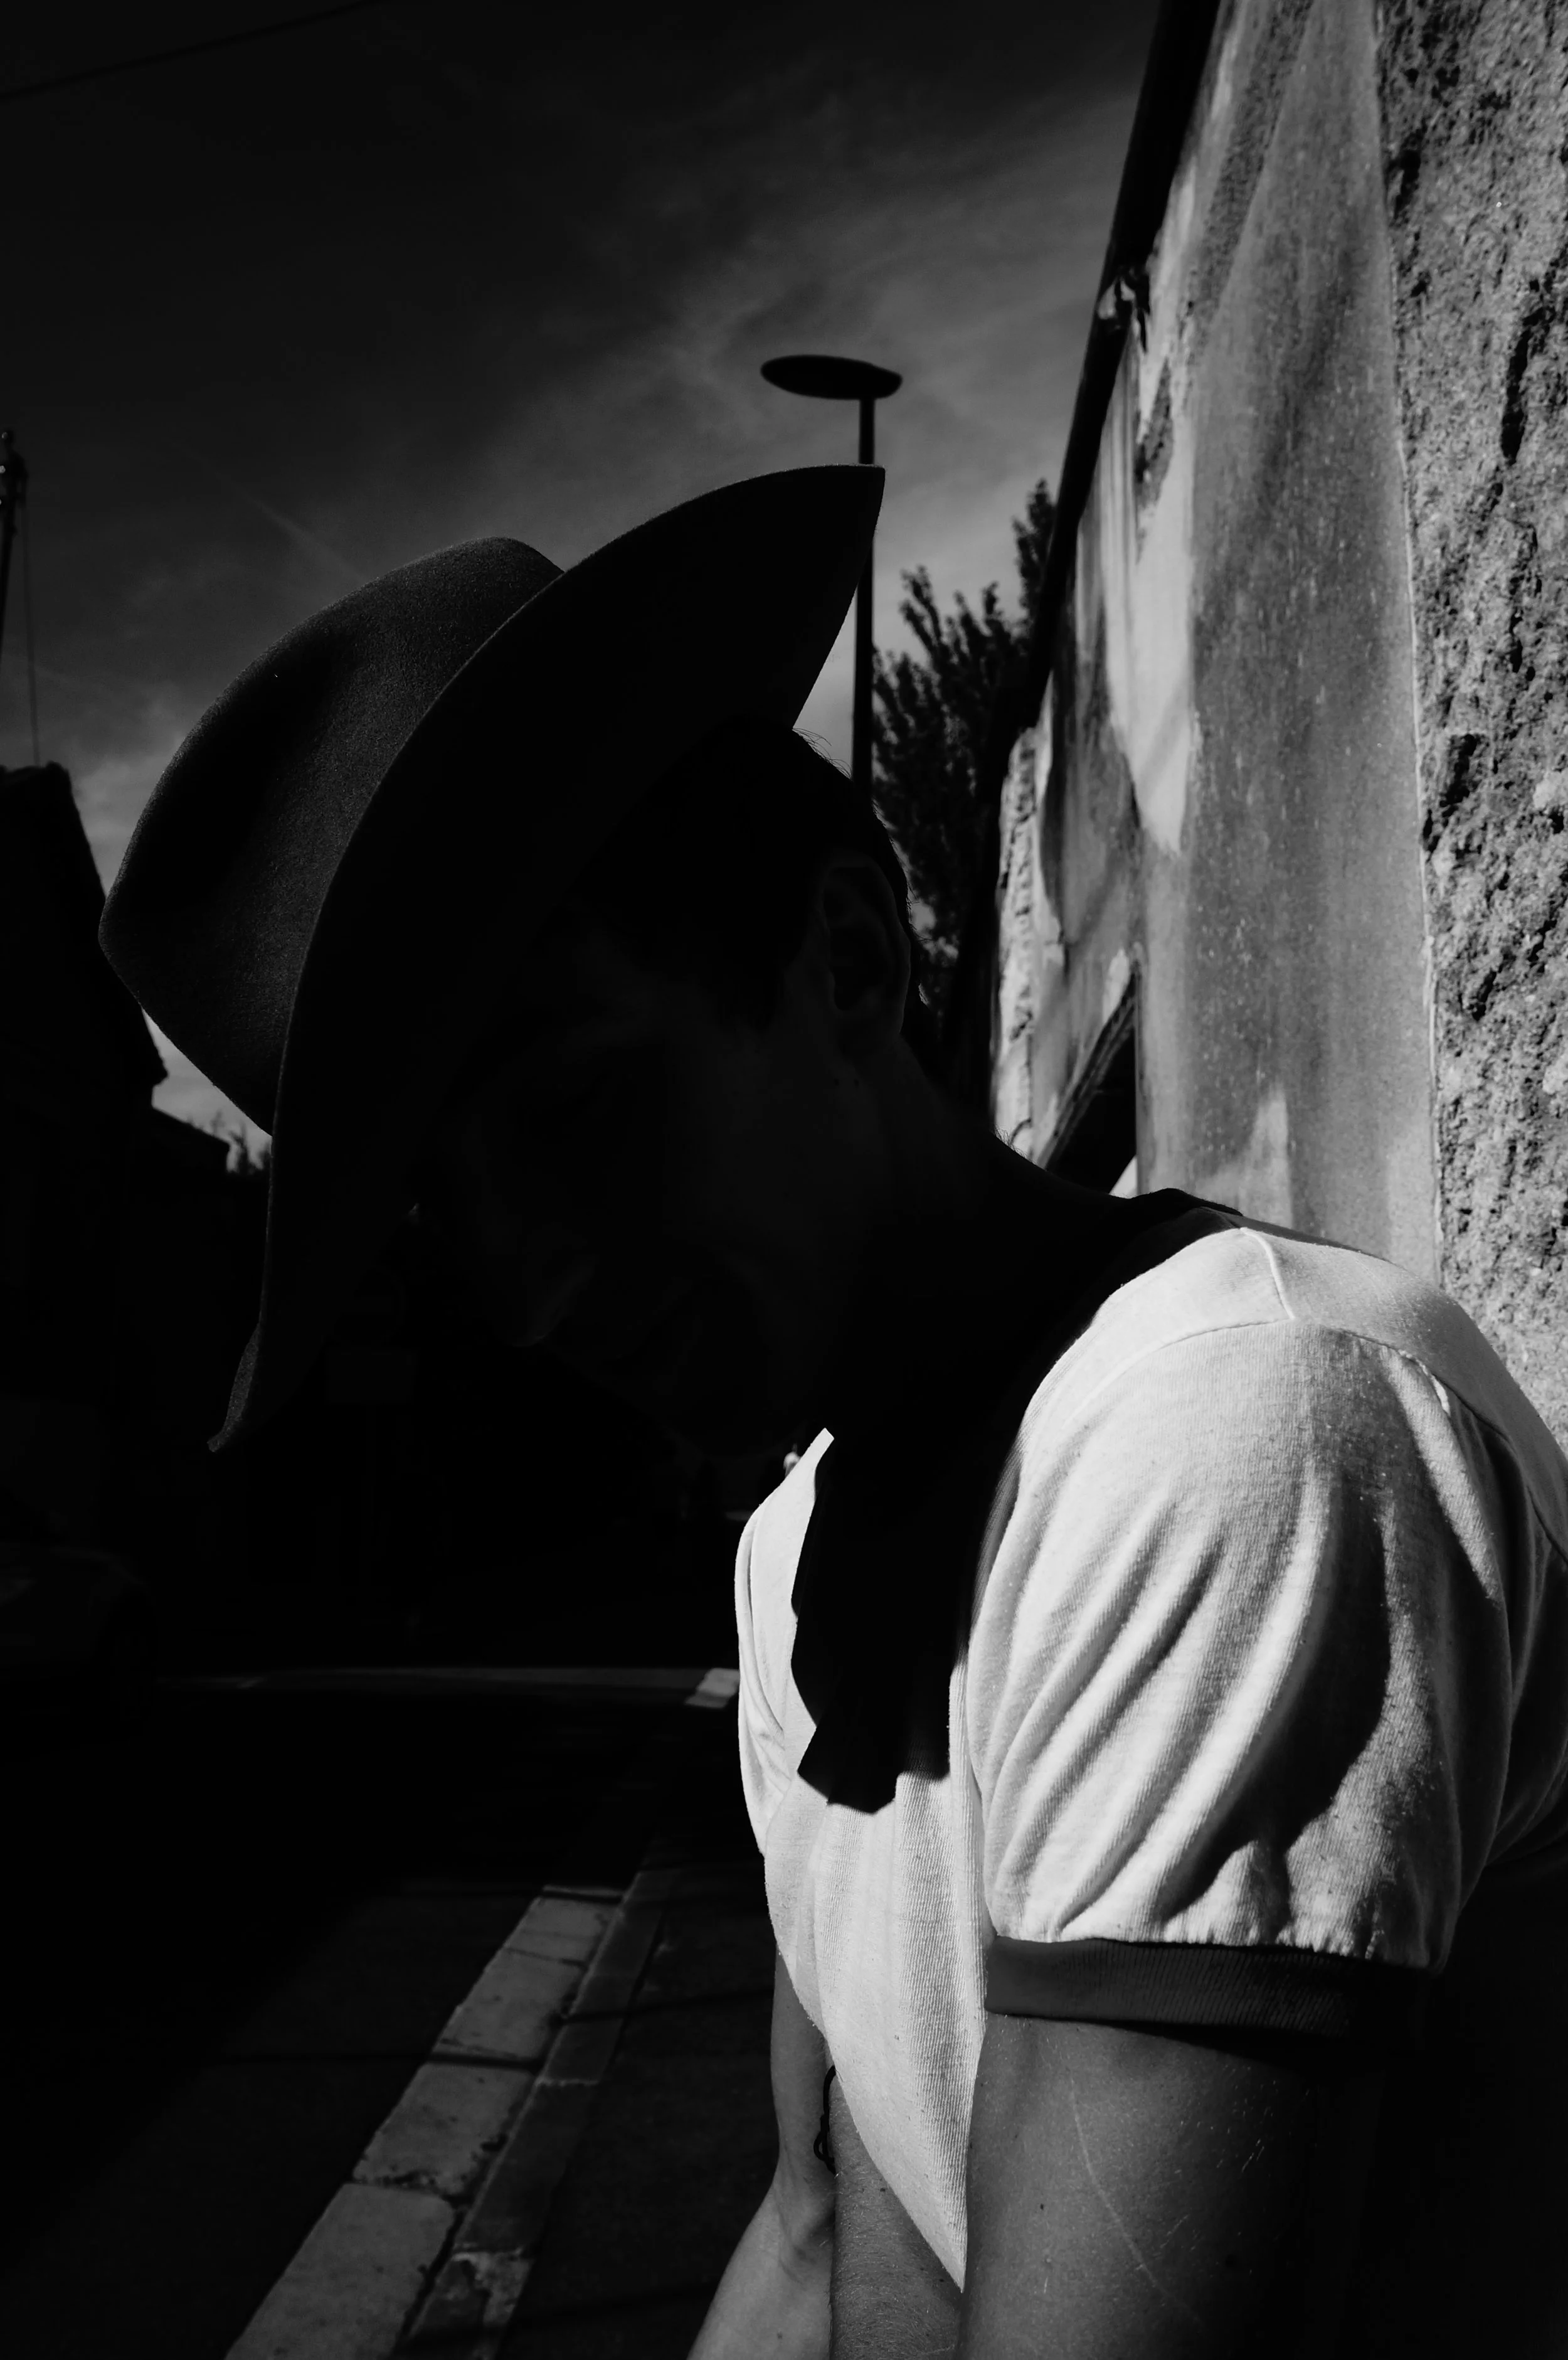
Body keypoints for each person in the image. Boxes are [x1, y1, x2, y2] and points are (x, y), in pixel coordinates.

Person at [102, 470, 1568, 2358]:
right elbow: (839, 2241)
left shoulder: (1230, 1423)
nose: (534, 1294)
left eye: (576, 1120)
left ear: (853, 958)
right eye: (454, 1227)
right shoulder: (796, 1559)